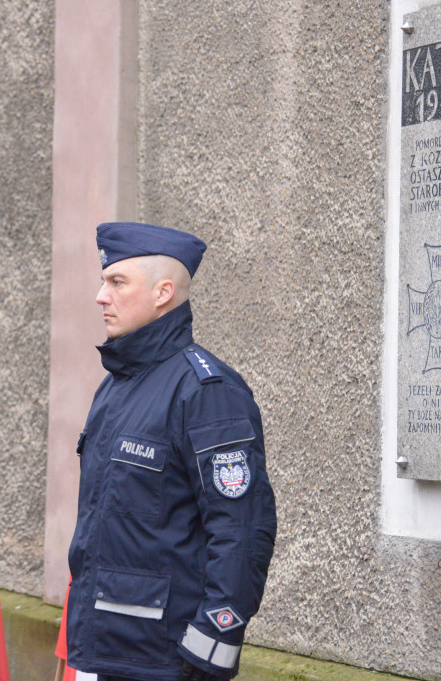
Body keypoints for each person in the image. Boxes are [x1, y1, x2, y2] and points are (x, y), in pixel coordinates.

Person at [66, 222, 278, 680]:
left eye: (117, 282)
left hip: (171, 659)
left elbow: (242, 529)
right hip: (113, 649)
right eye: (104, 282)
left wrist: (208, 651)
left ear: (163, 293)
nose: (101, 296)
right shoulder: (115, 387)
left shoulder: (205, 391)